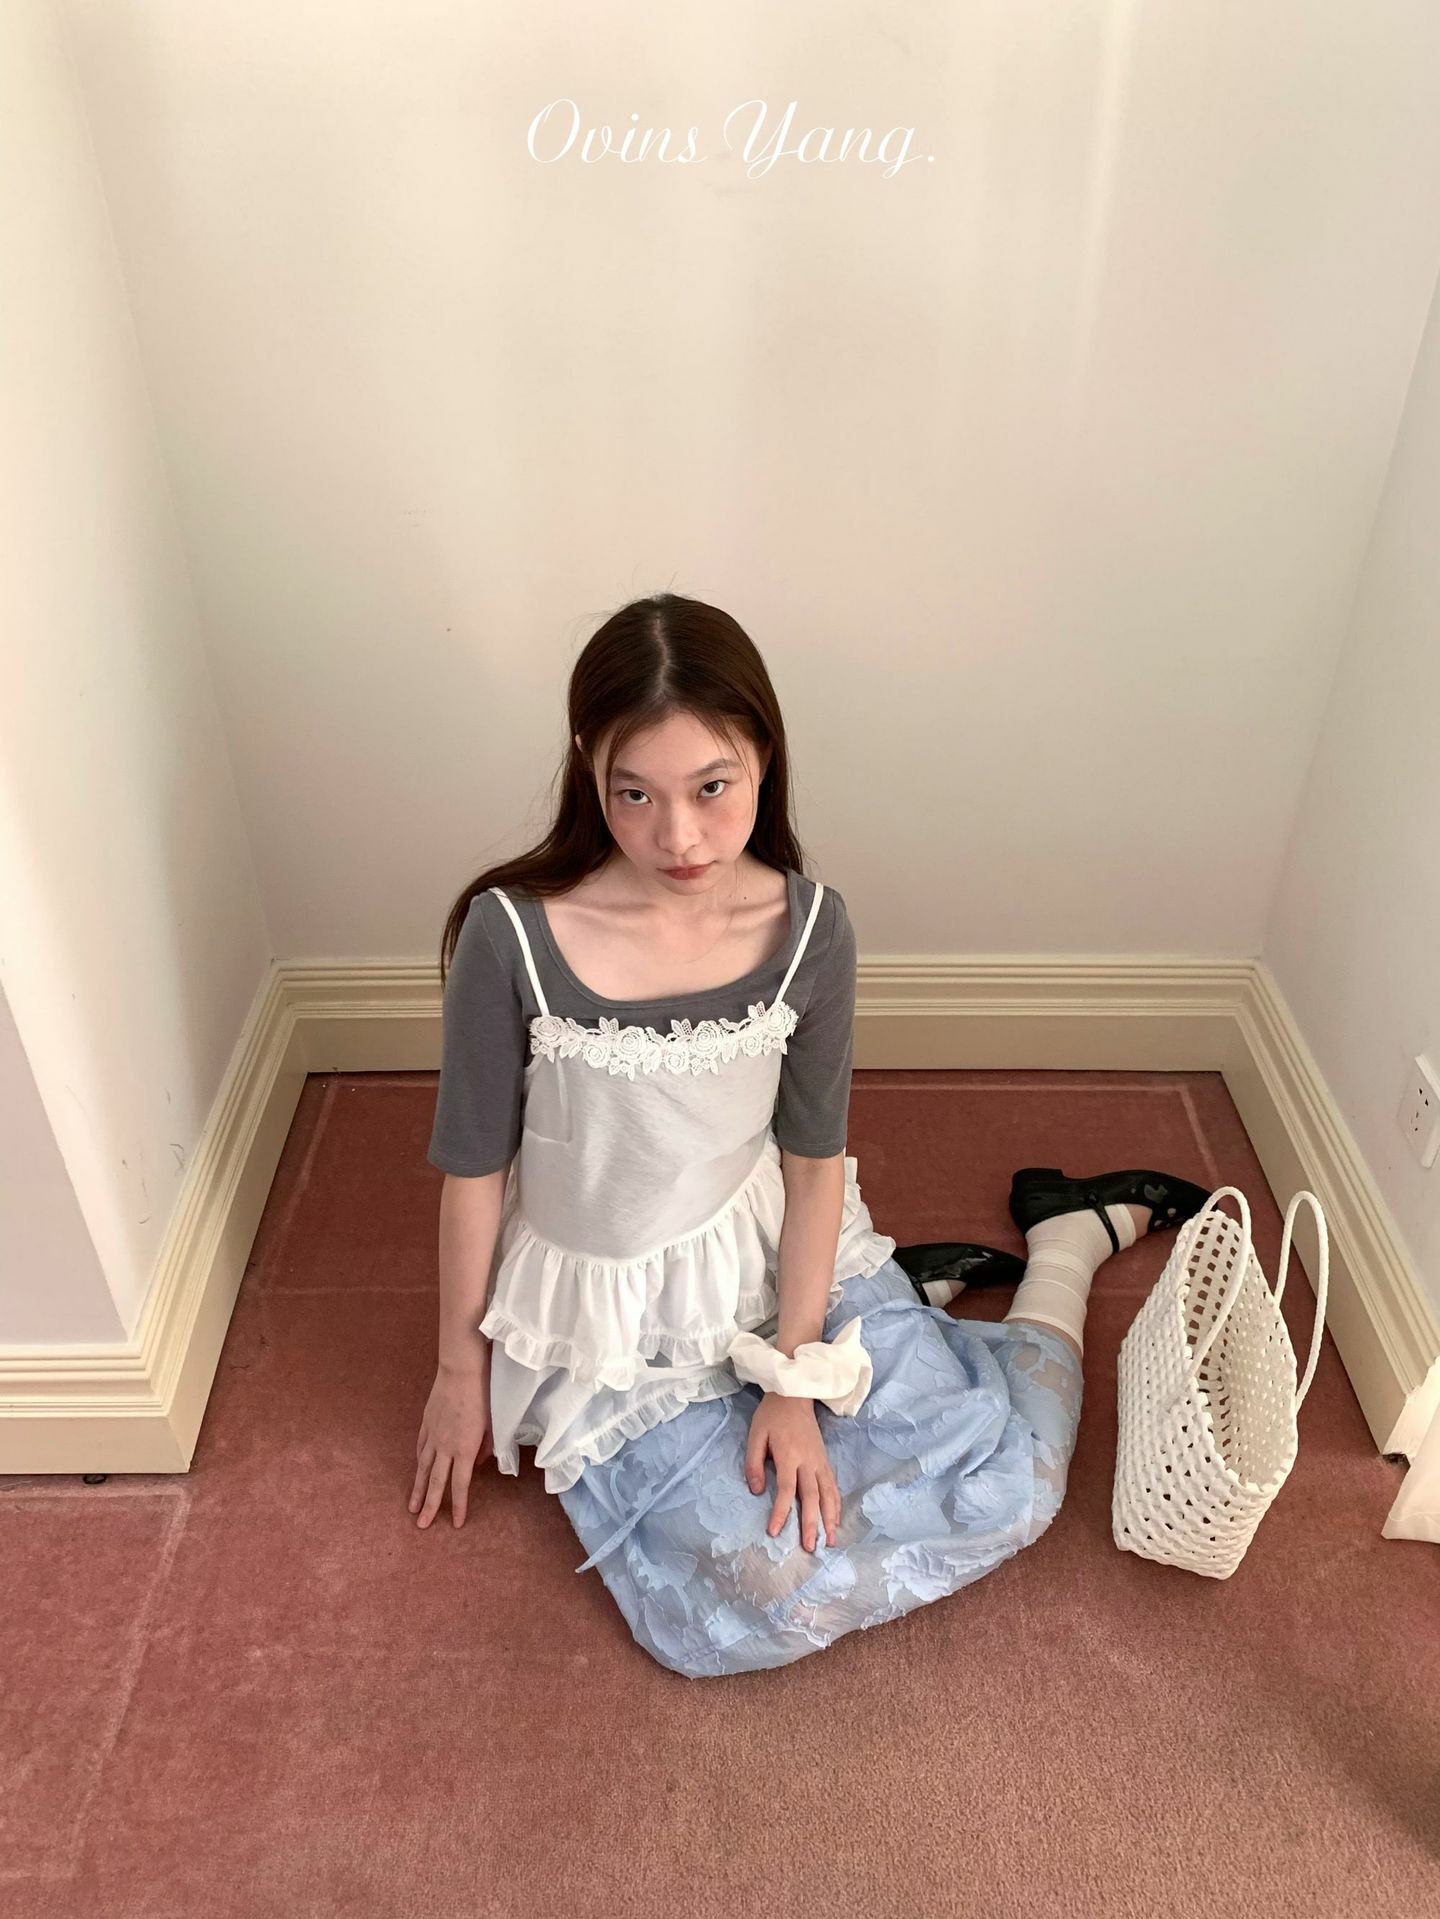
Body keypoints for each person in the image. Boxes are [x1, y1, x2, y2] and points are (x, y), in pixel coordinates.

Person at [414, 592, 1210, 1679]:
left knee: (1008, 1489)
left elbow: (811, 1159)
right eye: (634, 792)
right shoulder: (510, 932)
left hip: (778, 1252)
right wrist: (458, 1369)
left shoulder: (810, 929)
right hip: (617, 1317)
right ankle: (927, 1303)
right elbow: (473, 1170)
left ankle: (1061, 1250)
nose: (677, 835)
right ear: (587, 765)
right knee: (760, 1590)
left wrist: (794, 1379)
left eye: (712, 787)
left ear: (764, 759)